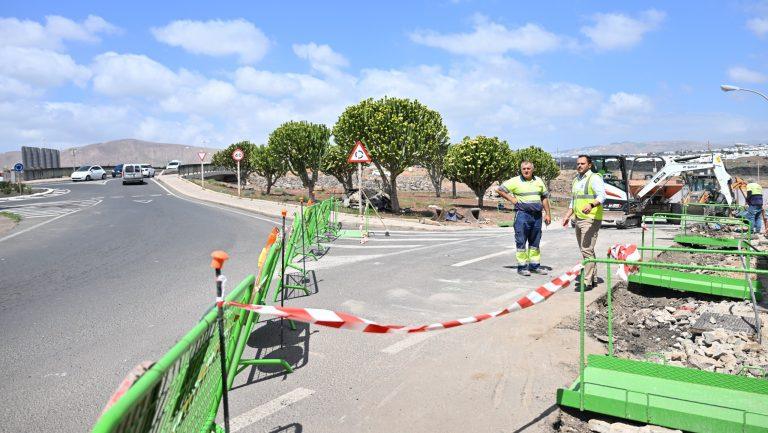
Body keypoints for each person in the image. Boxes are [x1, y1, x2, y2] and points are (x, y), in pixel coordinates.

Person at [497, 161, 551, 276]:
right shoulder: (515, 181)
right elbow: (500, 189)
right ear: (521, 170)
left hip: (537, 216)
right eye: (524, 169)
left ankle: (534, 266)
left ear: (532, 169)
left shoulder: (539, 180)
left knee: (535, 242)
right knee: (521, 241)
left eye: (528, 168)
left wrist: (547, 213)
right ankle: (522, 267)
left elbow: (544, 198)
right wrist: (511, 199)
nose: (526, 170)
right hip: (522, 215)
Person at [562, 155, 606, 289]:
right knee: (586, 250)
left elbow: (602, 196)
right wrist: (567, 215)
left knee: (586, 249)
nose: (579, 166)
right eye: (578, 164)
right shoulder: (576, 180)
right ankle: (593, 279)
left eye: (582, 163)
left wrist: (592, 205)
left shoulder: (595, 178)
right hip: (578, 218)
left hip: (591, 218)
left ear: (589, 165)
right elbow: (573, 200)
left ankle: (587, 282)